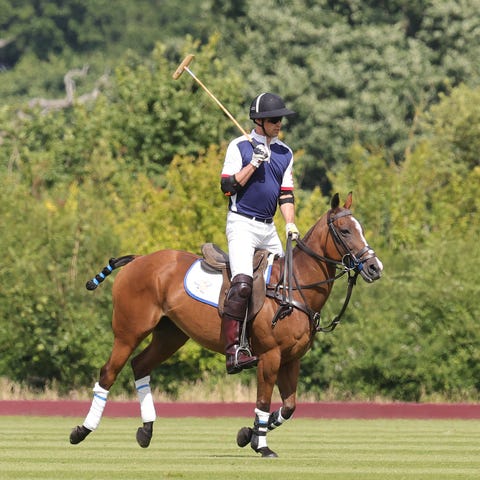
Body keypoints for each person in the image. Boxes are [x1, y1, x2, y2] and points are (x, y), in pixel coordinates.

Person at [220, 92, 299, 374]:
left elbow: (286, 195)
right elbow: (227, 188)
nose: (280, 124)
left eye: (281, 120)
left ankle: (278, 339)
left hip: (268, 228)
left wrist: (289, 222)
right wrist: (253, 163)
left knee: (287, 283)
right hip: (241, 224)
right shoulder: (239, 146)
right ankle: (233, 351)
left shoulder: (285, 153)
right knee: (242, 283)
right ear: (260, 121)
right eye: (275, 120)